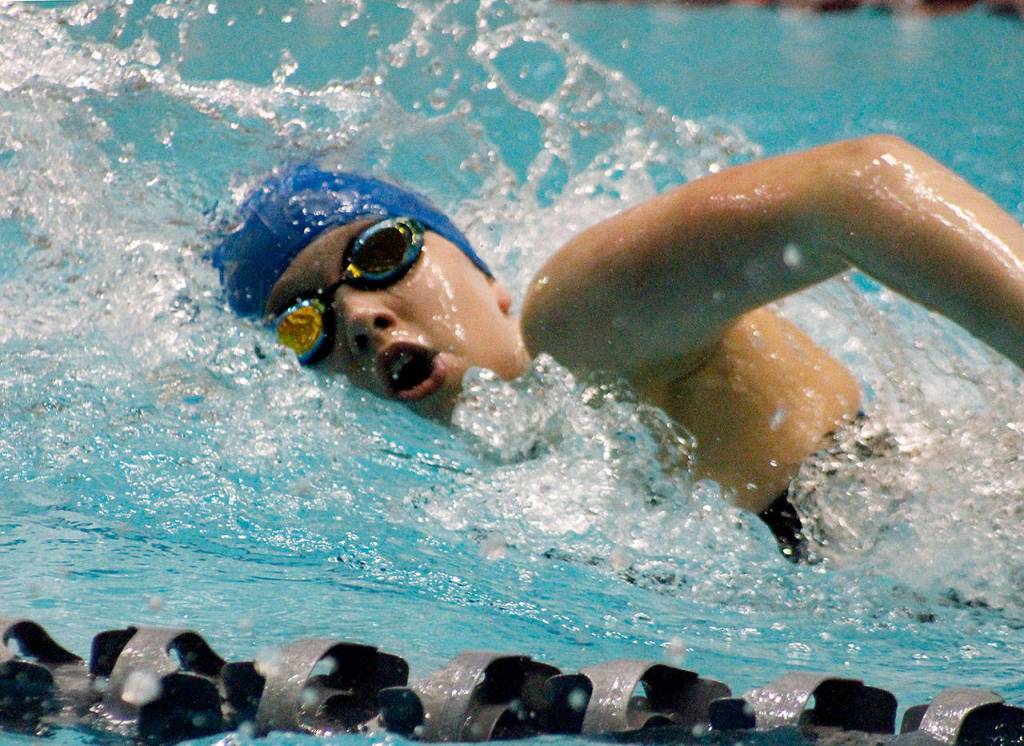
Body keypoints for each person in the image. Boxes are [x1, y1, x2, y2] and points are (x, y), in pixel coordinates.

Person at [212, 135, 1024, 559]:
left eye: (381, 255)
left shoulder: (583, 324)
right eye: (305, 322)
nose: (361, 317)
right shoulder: (502, 487)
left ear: (484, 270)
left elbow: (858, 183)